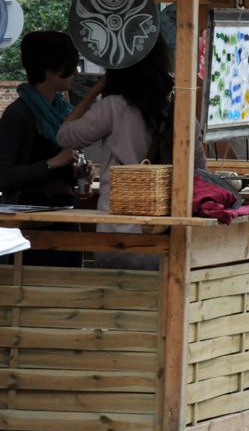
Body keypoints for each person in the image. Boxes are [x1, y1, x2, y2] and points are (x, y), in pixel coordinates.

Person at [57, 36, 206, 270]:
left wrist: (94, 89)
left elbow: (65, 135)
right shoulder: (180, 112)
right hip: (167, 231)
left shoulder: (113, 107)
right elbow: (199, 169)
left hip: (116, 230)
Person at [0, 31, 82, 267]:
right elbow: (3, 177)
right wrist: (53, 162)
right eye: (70, 65)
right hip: (30, 231)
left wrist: (77, 171)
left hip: (64, 221)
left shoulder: (63, 112)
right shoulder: (18, 114)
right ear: (50, 69)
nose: (75, 72)